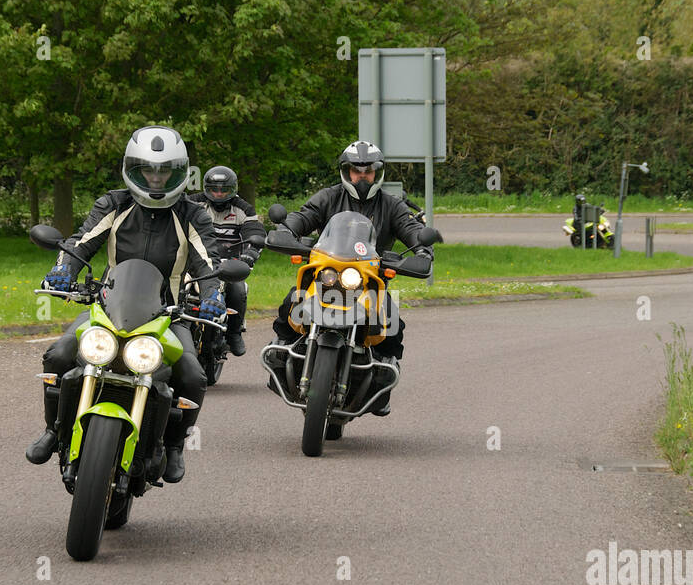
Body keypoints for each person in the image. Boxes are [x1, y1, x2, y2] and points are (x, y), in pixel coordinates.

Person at [26, 125, 225, 483]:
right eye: (148, 170)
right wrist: (61, 270)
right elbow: (81, 242)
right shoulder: (114, 203)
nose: (156, 179)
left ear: (180, 172)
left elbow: (207, 261)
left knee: (194, 377)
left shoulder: (192, 214)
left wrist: (214, 296)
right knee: (58, 354)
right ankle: (54, 431)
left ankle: (175, 446)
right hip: (109, 308)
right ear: (131, 169)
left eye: (165, 171)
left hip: (167, 314)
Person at [268, 140, 433, 416]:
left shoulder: (392, 206)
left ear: (378, 173)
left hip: (367, 283)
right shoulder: (328, 197)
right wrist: (287, 231)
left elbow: (411, 227)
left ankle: (383, 378)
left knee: (392, 323)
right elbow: (304, 215)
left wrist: (423, 248)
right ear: (346, 172)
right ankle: (282, 349)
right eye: (356, 171)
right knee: (291, 303)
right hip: (325, 278)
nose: (362, 176)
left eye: (368, 171)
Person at [186, 165, 263, 356]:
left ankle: (234, 334)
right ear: (206, 188)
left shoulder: (243, 209)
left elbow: (255, 233)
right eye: (214, 189)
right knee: (178, 288)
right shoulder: (193, 203)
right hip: (195, 263)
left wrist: (250, 253)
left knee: (237, 289)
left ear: (233, 189)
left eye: (224, 190)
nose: (219, 194)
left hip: (228, 265)